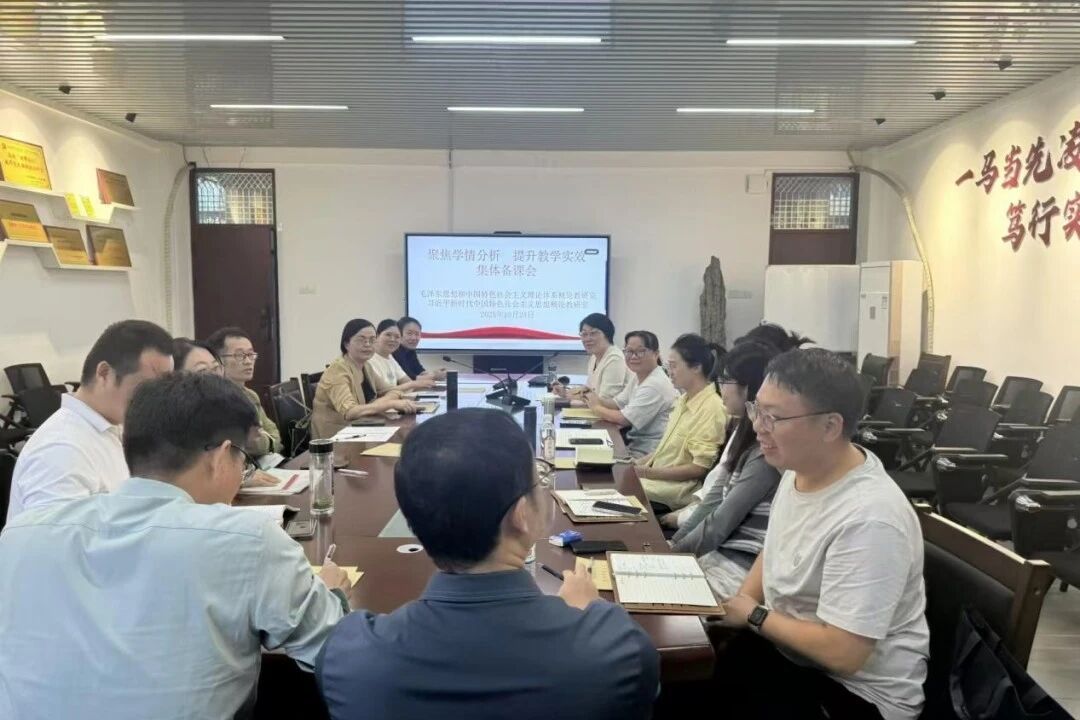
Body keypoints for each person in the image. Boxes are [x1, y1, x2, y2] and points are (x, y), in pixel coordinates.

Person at [0, 372, 353, 720]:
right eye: (243, 462)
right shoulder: (248, 539)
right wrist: (331, 593)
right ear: (221, 456)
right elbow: (337, 652)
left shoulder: (21, 534)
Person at [316, 408, 659, 720]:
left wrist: (333, 598)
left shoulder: (349, 655)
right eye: (538, 481)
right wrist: (592, 610)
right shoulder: (615, 651)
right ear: (521, 514)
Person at [717, 349, 929, 720]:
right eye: (757, 410)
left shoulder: (871, 518)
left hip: (855, 694)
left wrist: (753, 615)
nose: (758, 427)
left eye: (773, 417)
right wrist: (742, 601)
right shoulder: (800, 468)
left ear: (830, 427)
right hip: (790, 655)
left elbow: (844, 652)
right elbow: (775, 547)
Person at [6, 320, 174, 521]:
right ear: (104, 373)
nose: (154, 399)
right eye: (145, 388)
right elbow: (59, 538)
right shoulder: (60, 450)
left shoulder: (112, 427)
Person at [667, 340, 783, 599]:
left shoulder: (765, 454)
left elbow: (719, 523)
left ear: (748, 388)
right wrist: (673, 545)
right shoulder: (744, 433)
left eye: (725, 380)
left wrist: (669, 554)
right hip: (716, 556)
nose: (721, 389)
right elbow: (713, 500)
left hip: (737, 569)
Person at [634, 333, 727, 513]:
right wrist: (637, 464)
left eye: (674, 366)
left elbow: (699, 468)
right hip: (655, 482)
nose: (670, 371)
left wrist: (646, 472)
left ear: (696, 367)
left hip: (673, 493)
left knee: (612, 489)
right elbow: (666, 450)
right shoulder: (684, 399)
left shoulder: (711, 408)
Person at [311, 319, 421, 438]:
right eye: (361, 340)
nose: (368, 344)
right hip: (335, 435)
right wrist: (390, 403)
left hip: (361, 427)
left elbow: (385, 390)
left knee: (408, 435)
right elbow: (350, 412)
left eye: (372, 340)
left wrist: (395, 396)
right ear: (346, 344)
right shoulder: (338, 370)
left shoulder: (366, 365)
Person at [584, 330, 677, 457]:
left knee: (591, 459)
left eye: (640, 351)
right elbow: (617, 403)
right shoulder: (639, 376)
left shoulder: (655, 384)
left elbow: (624, 419)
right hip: (632, 443)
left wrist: (596, 408)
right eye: (629, 351)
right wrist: (594, 398)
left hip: (647, 453)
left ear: (656, 354)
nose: (633, 356)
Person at [206, 327, 282, 461]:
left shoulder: (250, 395)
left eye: (251, 355)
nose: (248, 361)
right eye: (240, 355)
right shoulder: (215, 400)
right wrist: (264, 442)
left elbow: (274, 436)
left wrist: (263, 443)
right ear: (218, 361)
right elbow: (241, 445)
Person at [368, 319, 437, 392]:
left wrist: (433, 386)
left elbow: (407, 382)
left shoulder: (390, 357)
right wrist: (414, 384)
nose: (392, 339)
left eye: (397, 337)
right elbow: (380, 392)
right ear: (377, 335)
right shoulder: (369, 359)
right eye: (388, 335)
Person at [392, 316, 447, 381]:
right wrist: (434, 376)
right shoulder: (395, 351)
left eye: (417, 334)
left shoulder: (410, 350)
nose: (414, 338)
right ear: (399, 334)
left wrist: (435, 373)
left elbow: (420, 371)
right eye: (409, 333)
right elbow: (410, 378)